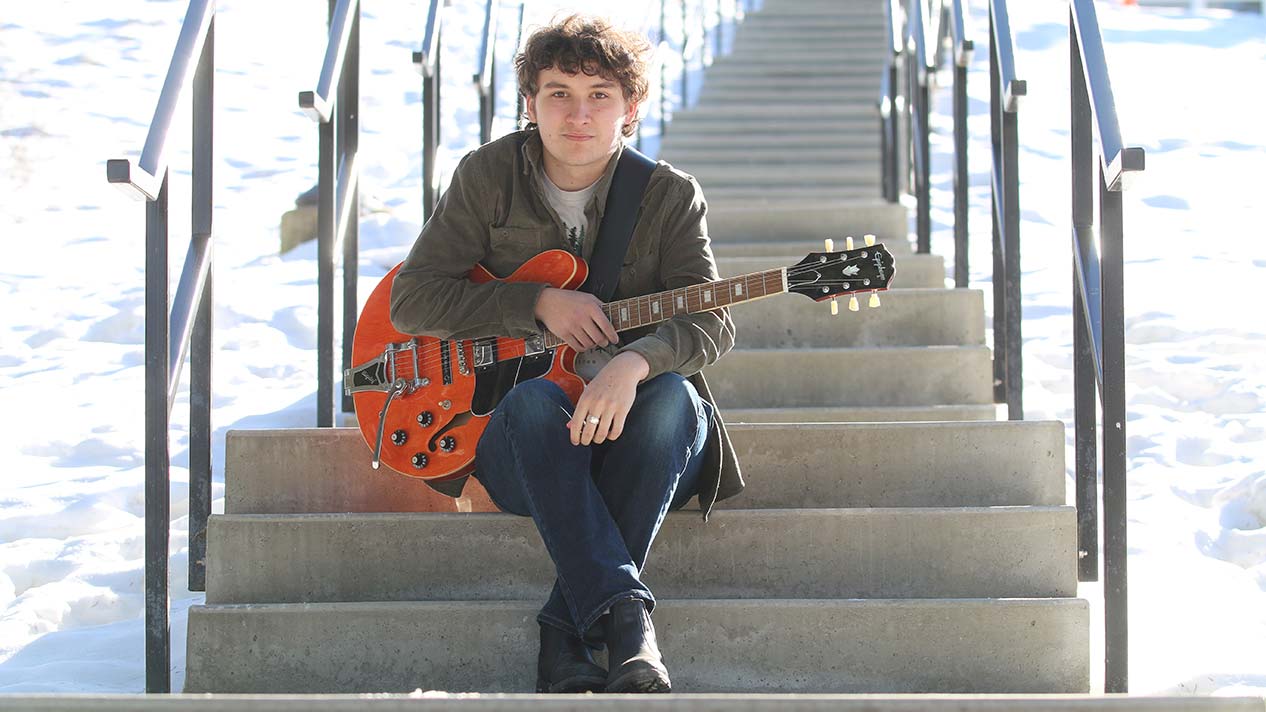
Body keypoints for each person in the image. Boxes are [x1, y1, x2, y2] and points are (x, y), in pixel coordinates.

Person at [389, 14, 743, 694]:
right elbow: (412, 299)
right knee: (530, 402)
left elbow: (711, 317)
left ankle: (569, 632)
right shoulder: (487, 176)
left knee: (672, 397)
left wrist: (631, 365)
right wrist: (535, 302)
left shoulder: (668, 196)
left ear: (631, 107)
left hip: (644, 445)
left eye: (599, 96)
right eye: (558, 94)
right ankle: (629, 627)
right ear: (530, 103)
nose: (578, 114)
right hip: (527, 444)